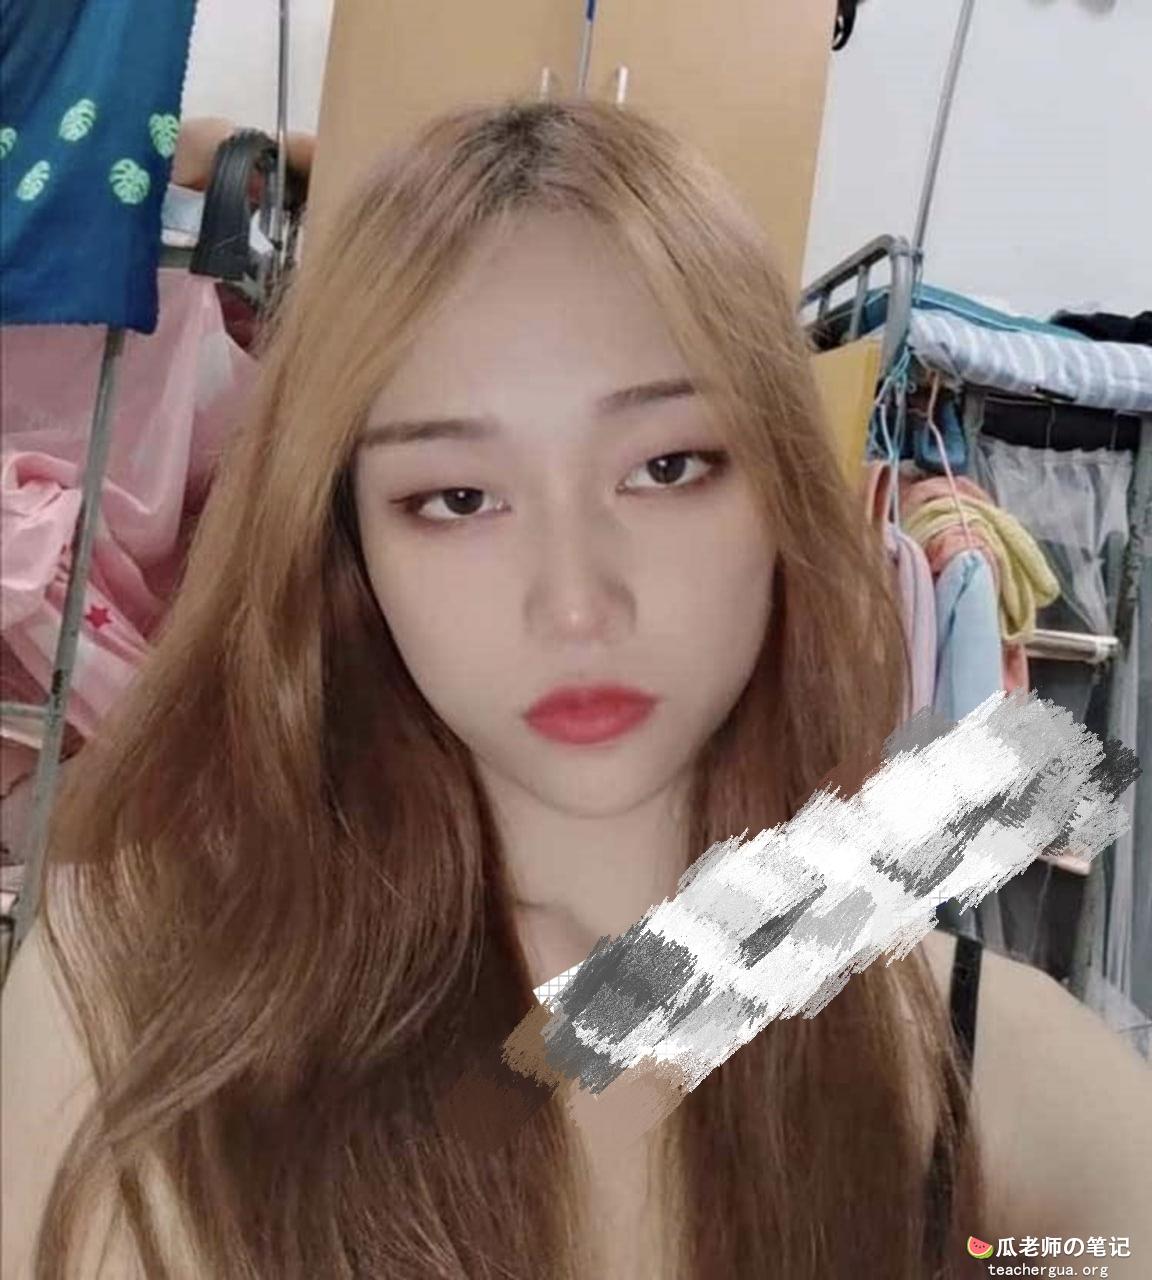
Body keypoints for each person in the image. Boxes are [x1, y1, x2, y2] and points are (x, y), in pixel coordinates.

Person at [2, 99, 1150, 1280]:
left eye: (666, 466)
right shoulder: (121, 1001)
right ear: (347, 548)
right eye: (458, 497)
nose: (575, 603)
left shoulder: (999, 1081)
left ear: (781, 496)